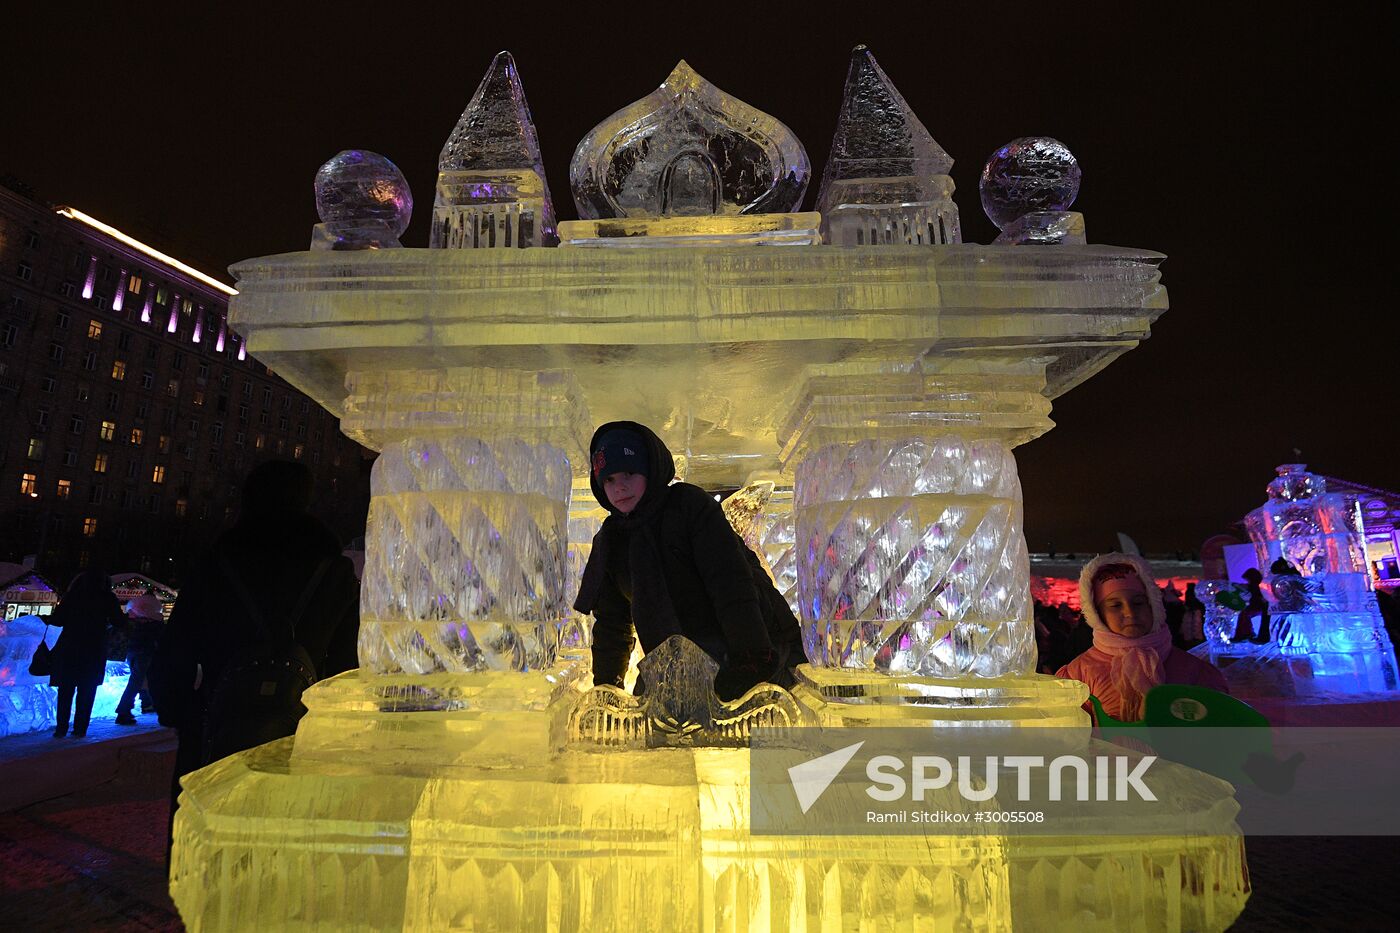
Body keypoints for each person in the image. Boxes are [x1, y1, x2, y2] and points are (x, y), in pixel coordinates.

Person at [151, 460, 360, 855]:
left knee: (213, 855)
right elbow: (349, 666)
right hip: (301, 739)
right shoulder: (333, 573)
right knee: (286, 856)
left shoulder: (216, 564)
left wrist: (187, 715)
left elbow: (173, 654)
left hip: (217, 732)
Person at [573, 422, 807, 700]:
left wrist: (752, 660)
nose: (619, 487)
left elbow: (732, 583)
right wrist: (606, 691)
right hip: (676, 665)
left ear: (650, 468)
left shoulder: (688, 506)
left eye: (629, 473)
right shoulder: (612, 541)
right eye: (609, 479)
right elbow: (613, 623)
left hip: (752, 643)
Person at [1056, 553, 1228, 722]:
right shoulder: (1079, 674)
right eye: (1115, 605)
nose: (1130, 613)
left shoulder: (1194, 671)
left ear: (1153, 605)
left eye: (1138, 603)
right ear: (1098, 614)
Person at [49, 567, 125, 738]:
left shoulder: (72, 596)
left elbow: (57, 620)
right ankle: (80, 729)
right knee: (87, 691)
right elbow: (119, 622)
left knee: (65, 690)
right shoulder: (107, 598)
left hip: (69, 647)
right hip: (94, 649)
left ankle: (61, 728)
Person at [115, 593, 163, 725]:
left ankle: (145, 704)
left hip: (132, 650)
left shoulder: (131, 618)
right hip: (146, 651)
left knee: (138, 679)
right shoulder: (155, 620)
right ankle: (124, 710)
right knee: (140, 679)